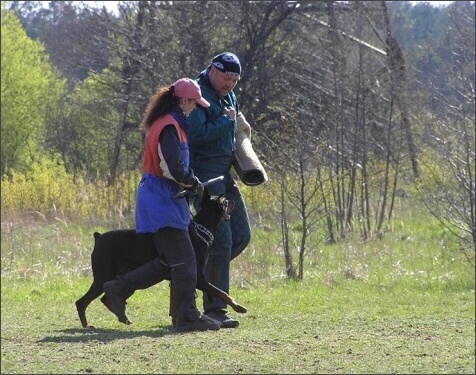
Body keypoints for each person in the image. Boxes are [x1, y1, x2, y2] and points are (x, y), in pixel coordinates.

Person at [102, 78, 220, 333]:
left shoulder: (166, 122)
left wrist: (187, 181)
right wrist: (193, 181)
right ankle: (186, 316)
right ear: (183, 101)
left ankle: (119, 288)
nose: (195, 109)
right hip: (162, 199)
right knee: (186, 259)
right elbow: (173, 168)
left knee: (170, 260)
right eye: (194, 104)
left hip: (162, 196)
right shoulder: (170, 126)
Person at [186, 52, 252, 328]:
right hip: (205, 179)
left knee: (241, 236)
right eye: (226, 78)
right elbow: (194, 134)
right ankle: (215, 309)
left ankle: (193, 277)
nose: (230, 84)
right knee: (221, 242)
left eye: (235, 80)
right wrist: (226, 122)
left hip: (225, 175)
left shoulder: (229, 96)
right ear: (213, 70)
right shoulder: (197, 94)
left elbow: (233, 129)